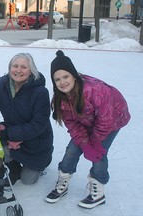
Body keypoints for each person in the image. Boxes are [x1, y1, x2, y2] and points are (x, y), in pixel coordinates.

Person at [45, 50, 131, 209]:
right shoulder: (60, 99)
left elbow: (106, 120)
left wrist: (94, 143)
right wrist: (84, 143)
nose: (62, 82)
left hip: (113, 118)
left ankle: (98, 191)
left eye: (66, 76)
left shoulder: (95, 90)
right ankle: (63, 180)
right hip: (87, 120)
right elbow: (72, 124)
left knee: (98, 153)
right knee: (72, 149)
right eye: (57, 79)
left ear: (74, 75)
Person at [0, 53, 54, 185]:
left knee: (27, 180)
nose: (18, 70)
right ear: (10, 68)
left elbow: (38, 125)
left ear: (31, 71)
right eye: (15, 66)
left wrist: (8, 134)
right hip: (13, 130)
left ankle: (44, 160)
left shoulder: (40, 92)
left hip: (35, 141)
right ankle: (14, 168)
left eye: (24, 67)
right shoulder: (3, 82)